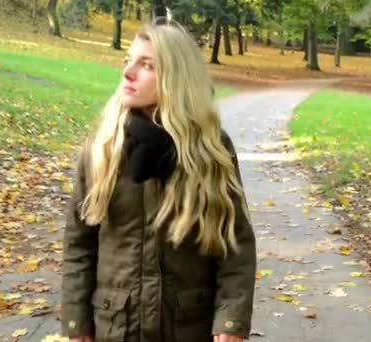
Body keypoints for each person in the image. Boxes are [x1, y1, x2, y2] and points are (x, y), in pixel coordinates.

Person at [61, 19, 256, 342]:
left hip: (187, 327)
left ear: (175, 78)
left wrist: (230, 321)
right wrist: (76, 321)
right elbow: (79, 243)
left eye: (146, 65)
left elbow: (234, 242)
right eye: (128, 61)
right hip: (116, 327)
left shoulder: (210, 150)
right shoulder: (103, 148)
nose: (128, 73)